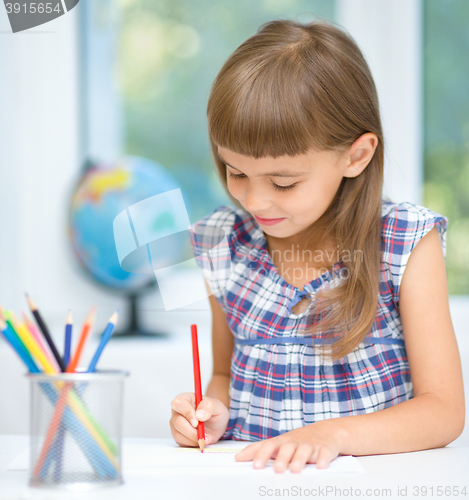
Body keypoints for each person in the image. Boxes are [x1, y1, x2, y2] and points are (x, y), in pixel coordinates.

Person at [169, 18, 465, 473]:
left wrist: (334, 434)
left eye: (283, 182)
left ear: (356, 155)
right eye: (236, 172)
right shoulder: (218, 242)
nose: (253, 199)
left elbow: (443, 412)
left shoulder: (405, 242)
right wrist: (210, 414)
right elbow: (225, 376)